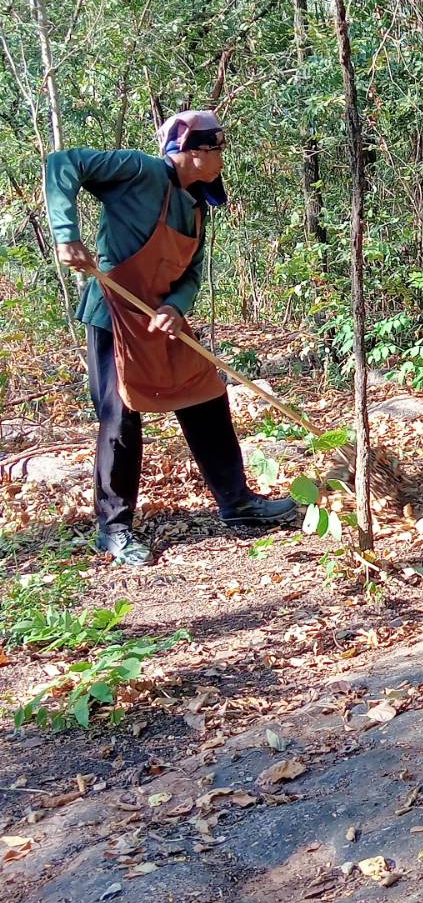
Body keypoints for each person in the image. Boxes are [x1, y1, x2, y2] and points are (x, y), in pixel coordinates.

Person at [47, 109, 297, 566]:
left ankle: (237, 503)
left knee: (205, 396)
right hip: (116, 315)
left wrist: (175, 307)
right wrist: (66, 234)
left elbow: (193, 271)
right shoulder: (139, 171)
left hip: (163, 320)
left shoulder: (198, 204)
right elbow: (63, 162)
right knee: (120, 418)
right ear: (187, 151)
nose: (221, 156)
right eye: (215, 147)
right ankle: (115, 528)